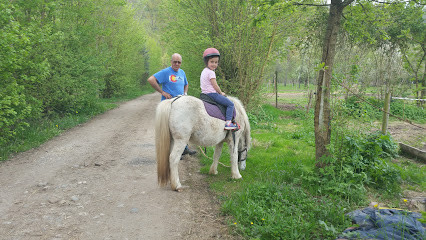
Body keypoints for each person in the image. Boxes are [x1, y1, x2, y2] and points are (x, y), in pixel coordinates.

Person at [147, 53, 196, 155]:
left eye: (179, 62)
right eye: (175, 62)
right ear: (171, 62)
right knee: (169, 130)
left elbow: (186, 84)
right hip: (168, 105)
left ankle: (184, 149)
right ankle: (171, 152)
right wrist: (162, 92)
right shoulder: (166, 72)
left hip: (181, 106)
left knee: (182, 128)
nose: (177, 64)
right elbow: (151, 80)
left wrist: (185, 93)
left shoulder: (182, 72)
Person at [200, 48, 238, 130]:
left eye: (216, 62)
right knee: (230, 104)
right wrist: (221, 93)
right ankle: (228, 123)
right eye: (212, 62)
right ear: (207, 62)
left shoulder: (204, 71)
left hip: (204, 94)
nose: (214, 64)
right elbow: (215, 85)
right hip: (212, 94)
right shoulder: (211, 72)